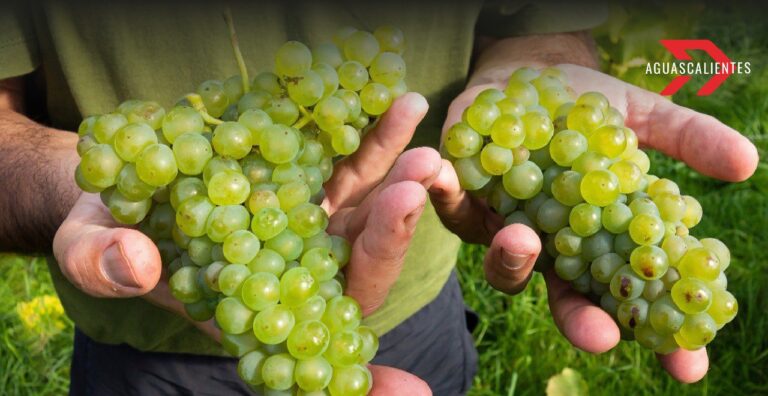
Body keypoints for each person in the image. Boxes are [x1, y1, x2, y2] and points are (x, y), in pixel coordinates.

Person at [0, 1, 758, 395]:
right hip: (142, 352)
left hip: (409, 299)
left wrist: (539, 71)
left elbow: (541, 24)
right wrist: (97, 182)